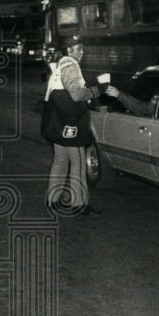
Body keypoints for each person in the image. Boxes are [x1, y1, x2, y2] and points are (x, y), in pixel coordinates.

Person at [44, 35, 107, 216]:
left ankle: (52, 201)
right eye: (78, 48)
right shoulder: (71, 66)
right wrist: (98, 90)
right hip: (72, 123)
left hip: (58, 123)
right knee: (78, 162)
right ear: (69, 50)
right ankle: (79, 203)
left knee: (60, 162)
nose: (82, 51)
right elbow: (77, 95)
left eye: (82, 48)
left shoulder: (58, 67)